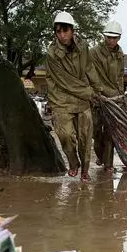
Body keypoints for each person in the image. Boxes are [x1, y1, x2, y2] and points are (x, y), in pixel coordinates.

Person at [46, 11, 97, 181]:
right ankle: (73, 162)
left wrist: (100, 90)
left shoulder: (83, 46)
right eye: (58, 32)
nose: (62, 35)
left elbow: (89, 68)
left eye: (65, 31)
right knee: (65, 134)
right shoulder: (52, 54)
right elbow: (65, 81)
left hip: (82, 100)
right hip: (61, 98)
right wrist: (90, 93)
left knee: (85, 136)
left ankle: (85, 170)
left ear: (72, 30)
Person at [89, 20, 125, 174]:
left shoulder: (120, 54)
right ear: (104, 36)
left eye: (114, 37)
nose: (111, 40)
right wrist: (96, 93)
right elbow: (89, 75)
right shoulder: (94, 52)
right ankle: (101, 156)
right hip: (98, 98)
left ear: (119, 38)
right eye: (108, 37)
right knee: (96, 133)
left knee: (110, 134)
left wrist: (121, 96)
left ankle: (108, 164)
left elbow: (121, 75)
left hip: (115, 99)